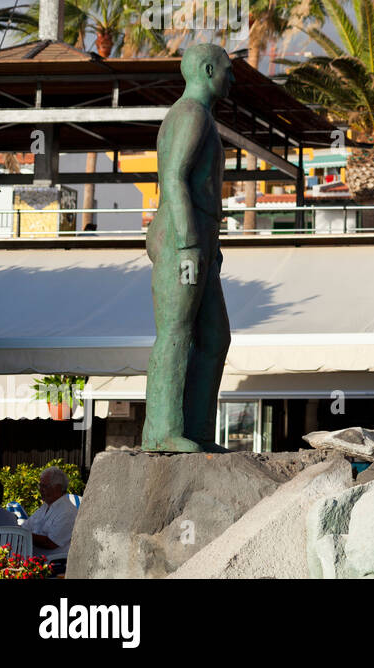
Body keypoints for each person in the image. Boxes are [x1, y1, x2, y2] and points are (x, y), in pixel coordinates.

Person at [142, 43, 234, 453]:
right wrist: (190, 245)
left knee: (215, 337)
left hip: (199, 239)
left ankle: (197, 429)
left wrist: (208, 247)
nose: (231, 79)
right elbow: (175, 179)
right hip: (183, 237)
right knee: (176, 332)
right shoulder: (190, 114)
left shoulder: (201, 117)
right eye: (228, 71)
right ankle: (161, 430)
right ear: (209, 69)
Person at [23, 467, 78, 571]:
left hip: (53, 565)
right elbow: (26, 526)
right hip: (34, 561)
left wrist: (24, 535)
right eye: (40, 485)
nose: (40, 489)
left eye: (44, 486)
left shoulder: (67, 511)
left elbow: (50, 543)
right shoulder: (45, 507)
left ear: (57, 488)